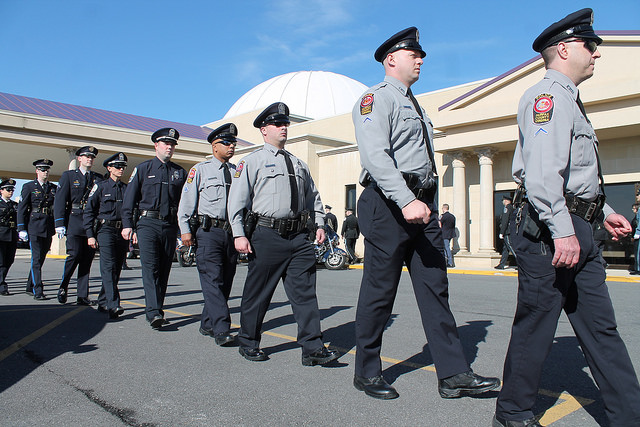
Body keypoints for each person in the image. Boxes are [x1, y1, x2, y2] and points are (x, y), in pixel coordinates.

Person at [494, 9, 640, 427]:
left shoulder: (571, 100)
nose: (596, 53)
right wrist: (563, 231)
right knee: (537, 325)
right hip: (549, 229)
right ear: (564, 48)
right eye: (589, 45)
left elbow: (576, 177)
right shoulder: (548, 98)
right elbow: (541, 177)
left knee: (602, 330)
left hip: (578, 226)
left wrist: (605, 211)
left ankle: (629, 415)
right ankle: (512, 413)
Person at [351, 27, 499, 400]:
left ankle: (453, 374)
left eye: (421, 55)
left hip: (421, 206)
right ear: (391, 60)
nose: (421, 59)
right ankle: (367, 371)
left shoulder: (416, 105)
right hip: (389, 204)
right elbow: (376, 157)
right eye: (413, 54)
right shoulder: (375, 99)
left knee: (436, 289)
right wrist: (405, 199)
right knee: (380, 292)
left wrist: (425, 202)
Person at [228, 102, 338, 366]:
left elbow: (314, 198)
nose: (284, 128)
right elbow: (236, 201)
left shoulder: (299, 164)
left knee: (305, 294)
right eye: (278, 124)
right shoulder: (251, 162)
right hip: (266, 234)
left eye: (286, 124)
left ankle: (312, 348)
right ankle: (248, 341)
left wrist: (320, 224)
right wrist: (238, 234)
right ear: (264, 130)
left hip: (299, 237)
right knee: (259, 292)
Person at [177, 123, 238, 346]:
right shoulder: (200, 170)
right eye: (226, 143)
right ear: (214, 146)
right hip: (208, 232)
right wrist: (185, 230)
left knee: (225, 281)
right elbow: (186, 203)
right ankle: (222, 328)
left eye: (233, 143)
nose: (231, 146)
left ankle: (207, 323)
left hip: (231, 233)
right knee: (212, 279)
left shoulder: (236, 172)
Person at [121, 128, 186, 329]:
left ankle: (157, 307)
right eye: (165, 143)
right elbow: (129, 200)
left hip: (169, 225)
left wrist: (183, 230)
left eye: (172, 144)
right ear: (156, 145)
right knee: (150, 268)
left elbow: (184, 203)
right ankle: (154, 312)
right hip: (147, 224)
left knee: (164, 269)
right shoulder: (143, 169)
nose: (169, 147)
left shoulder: (179, 172)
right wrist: (127, 225)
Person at [54, 146, 102, 305]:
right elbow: (60, 200)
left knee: (87, 260)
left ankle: (82, 295)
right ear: (79, 158)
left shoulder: (98, 178)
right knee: (74, 255)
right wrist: (59, 223)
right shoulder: (68, 176)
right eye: (86, 156)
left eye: (92, 157)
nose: (89, 159)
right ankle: (64, 285)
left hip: (90, 223)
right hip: (74, 221)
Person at [83, 152, 128, 319]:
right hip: (105, 230)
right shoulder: (101, 187)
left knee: (116, 269)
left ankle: (103, 300)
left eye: (123, 166)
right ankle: (113, 304)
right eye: (117, 166)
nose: (121, 169)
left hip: (121, 231)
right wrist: (90, 235)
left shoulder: (126, 188)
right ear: (109, 168)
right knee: (108, 267)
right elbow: (89, 212)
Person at [17, 159, 56, 299]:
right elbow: (21, 208)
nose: (45, 172)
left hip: (47, 226)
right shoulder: (29, 187)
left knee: (41, 258)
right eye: (42, 170)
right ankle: (38, 289)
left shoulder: (52, 188)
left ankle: (29, 285)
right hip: (34, 226)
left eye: (47, 170)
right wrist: (21, 227)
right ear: (37, 171)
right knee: (36, 259)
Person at [0, 179, 18, 296]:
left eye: (12, 190)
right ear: (1, 191)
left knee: (9, 260)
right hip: (0, 235)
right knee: (1, 262)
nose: (10, 192)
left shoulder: (14, 205)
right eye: (8, 189)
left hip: (12, 235)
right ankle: (2, 285)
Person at [495, 196, 515, 269]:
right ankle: (502, 264)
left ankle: (521, 263)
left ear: (506, 201)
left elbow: (505, 221)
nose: (502, 202)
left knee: (511, 247)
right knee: (505, 249)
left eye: (503, 200)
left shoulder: (507, 208)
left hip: (508, 231)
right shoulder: (511, 207)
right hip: (508, 231)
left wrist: (502, 232)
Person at [631, 203, 639, 275]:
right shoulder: (636, 217)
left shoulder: (637, 217)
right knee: (636, 253)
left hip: (637, 237)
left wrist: (636, 234)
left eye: (633, 208)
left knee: (637, 253)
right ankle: (636, 268)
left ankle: (638, 269)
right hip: (635, 237)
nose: (632, 210)